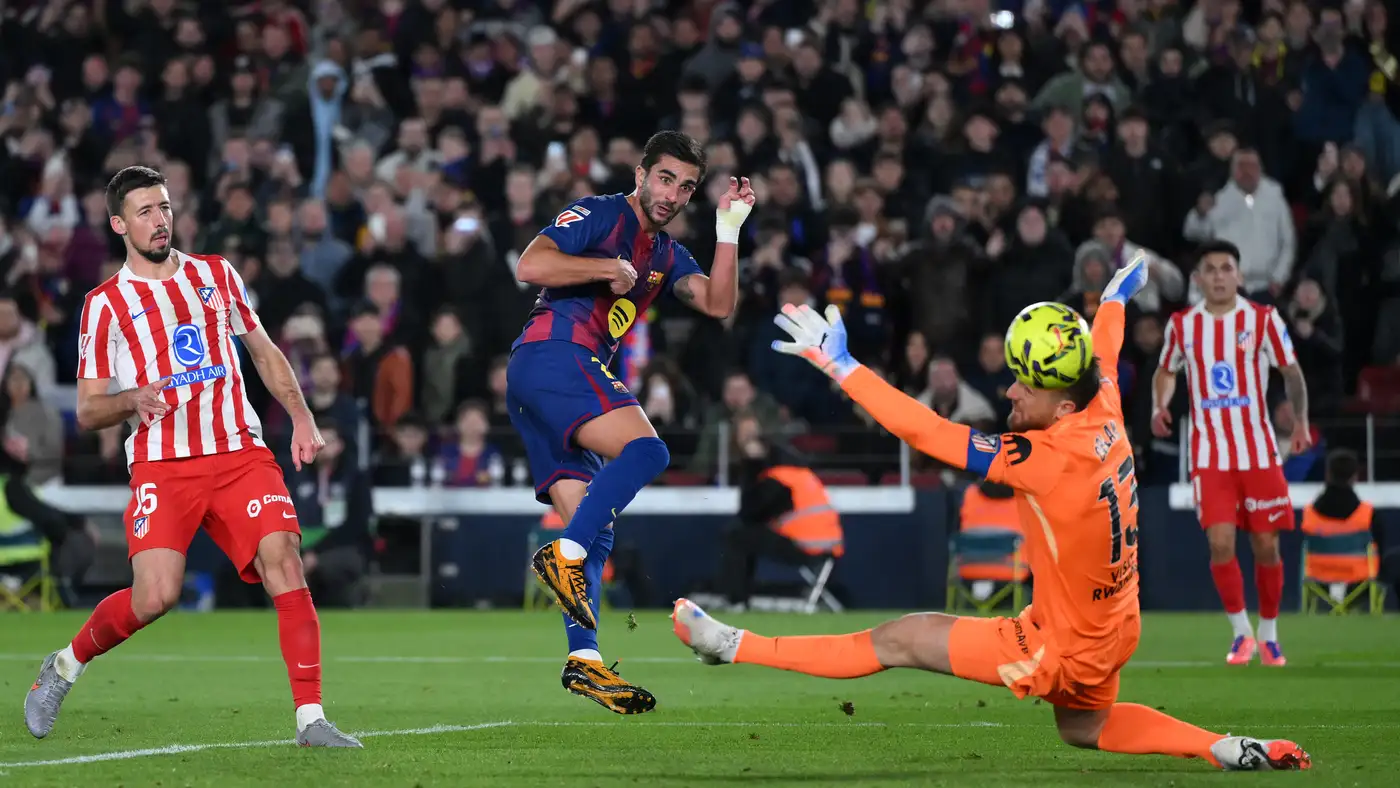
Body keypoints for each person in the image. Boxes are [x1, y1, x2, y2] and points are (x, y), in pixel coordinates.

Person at [672, 256, 1311, 772]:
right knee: (1084, 728)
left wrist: (842, 366)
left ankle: (730, 646)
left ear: (1062, 405)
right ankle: (1222, 747)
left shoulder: (1044, 457)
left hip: (1059, 647)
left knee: (899, 638)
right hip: (1114, 628)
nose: (1011, 390)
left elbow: (929, 433)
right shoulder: (1105, 406)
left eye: (1026, 386)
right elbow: (1106, 348)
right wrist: (1113, 298)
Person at [23, 166, 360, 747]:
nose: (160, 221)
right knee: (155, 596)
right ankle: (64, 665)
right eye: (145, 212)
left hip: (238, 452)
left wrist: (302, 415)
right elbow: (88, 409)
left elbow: (263, 350)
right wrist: (130, 399)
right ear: (119, 225)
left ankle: (311, 719)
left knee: (284, 560)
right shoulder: (104, 305)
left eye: (164, 207)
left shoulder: (216, 274)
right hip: (163, 463)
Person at [509, 130, 755, 714]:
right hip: (556, 355)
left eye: (686, 187)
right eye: (665, 178)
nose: (673, 194)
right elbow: (530, 264)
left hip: (543, 380)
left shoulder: (665, 254)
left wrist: (729, 229)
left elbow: (719, 303)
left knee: (596, 530)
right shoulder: (601, 214)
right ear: (641, 174)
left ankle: (585, 660)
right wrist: (604, 268)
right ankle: (563, 555)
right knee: (648, 451)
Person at [1151, 240, 1311, 667]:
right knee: (1220, 543)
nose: (1219, 276)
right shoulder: (1182, 325)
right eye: (1211, 269)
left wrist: (1300, 422)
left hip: (1258, 452)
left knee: (1266, 545)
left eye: (1227, 268)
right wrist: (1159, 406)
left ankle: (1270, 634)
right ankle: (1242, 633)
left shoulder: (1263, 319)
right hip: (1209, 455)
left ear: (1239, 276)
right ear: (1198, 279)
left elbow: (1291, 372)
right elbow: (1166, 370)